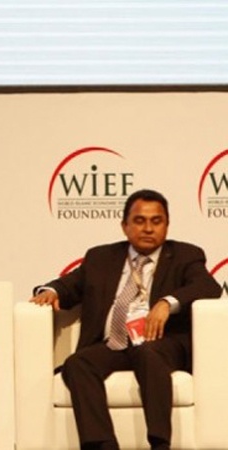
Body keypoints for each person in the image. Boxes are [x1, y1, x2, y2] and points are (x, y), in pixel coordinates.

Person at [30, 189, 221, 450]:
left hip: (160, 343)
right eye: (139, 221)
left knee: (147, 354)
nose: (148, 228)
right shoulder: (100, 257)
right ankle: (102, 444)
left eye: (156, 221)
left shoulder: (185, 255)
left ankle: (160, 443)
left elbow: (207, 287)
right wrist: (50, 291)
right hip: (115, 343)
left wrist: (167, 302)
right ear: (125, 226)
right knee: (78, 363)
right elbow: (69, 285)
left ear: (166, 225)